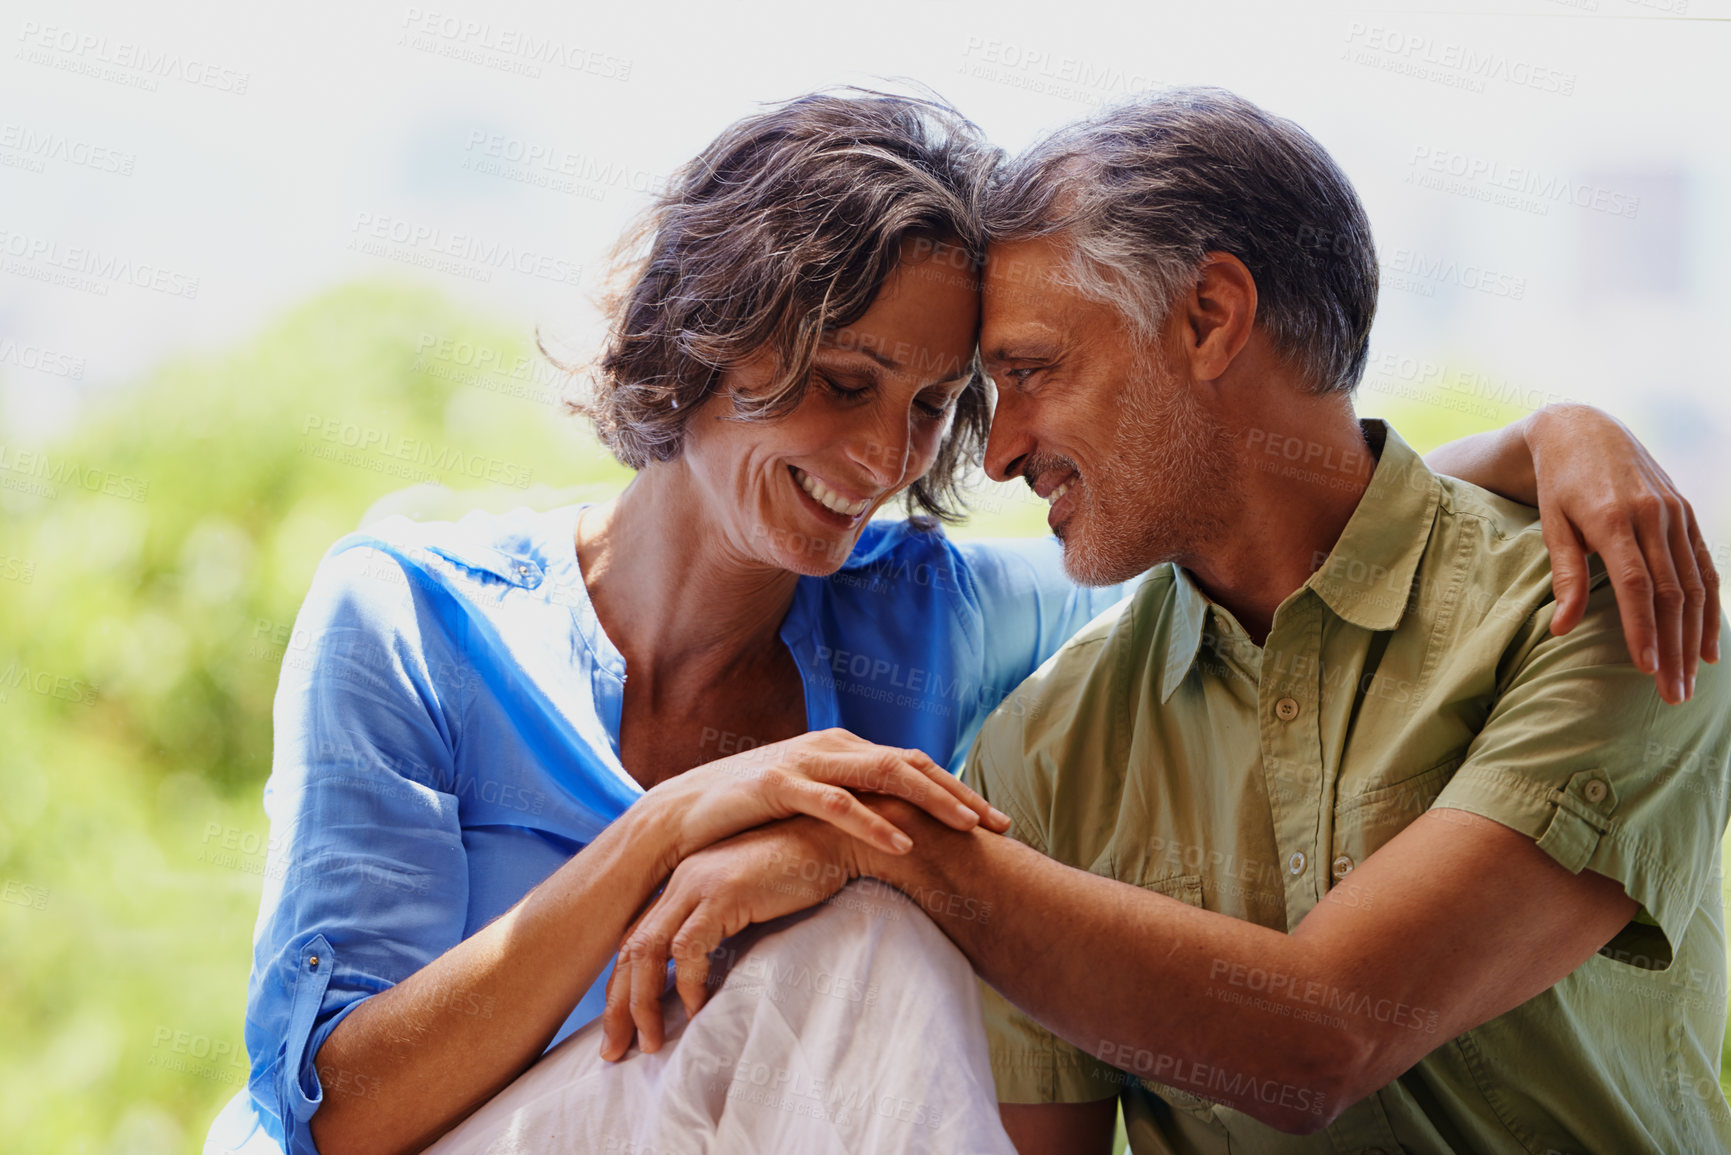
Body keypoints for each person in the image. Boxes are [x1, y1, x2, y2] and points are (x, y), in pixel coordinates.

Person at [206, 90, 1717, 1155]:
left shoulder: (950, 637)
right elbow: (334, 1113)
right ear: (704, 326)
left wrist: (1548, 440)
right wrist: (677, 831)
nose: (896, 458)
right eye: (843, 380)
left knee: (881, 910)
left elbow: (1269, 527)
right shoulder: (411, 619)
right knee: (863, 936)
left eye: (943, 403)